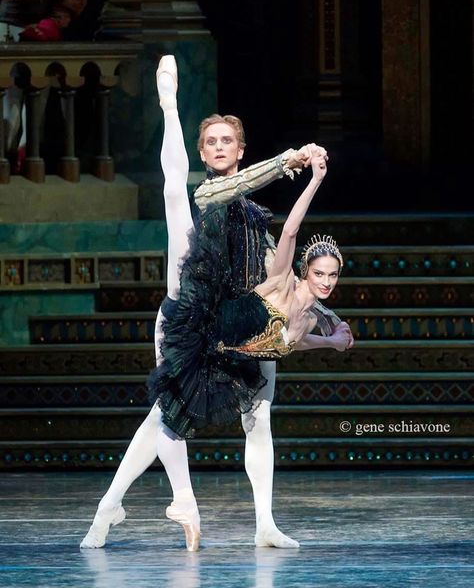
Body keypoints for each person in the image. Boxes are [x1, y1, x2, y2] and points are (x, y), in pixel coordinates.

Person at [80, 55, 353, 552]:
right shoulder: (209, 191)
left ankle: (265, 522)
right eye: (211, 141)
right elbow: (230, 188)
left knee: (260, 415)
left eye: (228, 140)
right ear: (204, 153)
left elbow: (283, 269)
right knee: (166, 416)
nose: (220, 147)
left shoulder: (252, 213)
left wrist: (327, 316)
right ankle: (111, 505)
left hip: (239, 322)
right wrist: (288, 159)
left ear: (239, 148)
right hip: (195, 319)